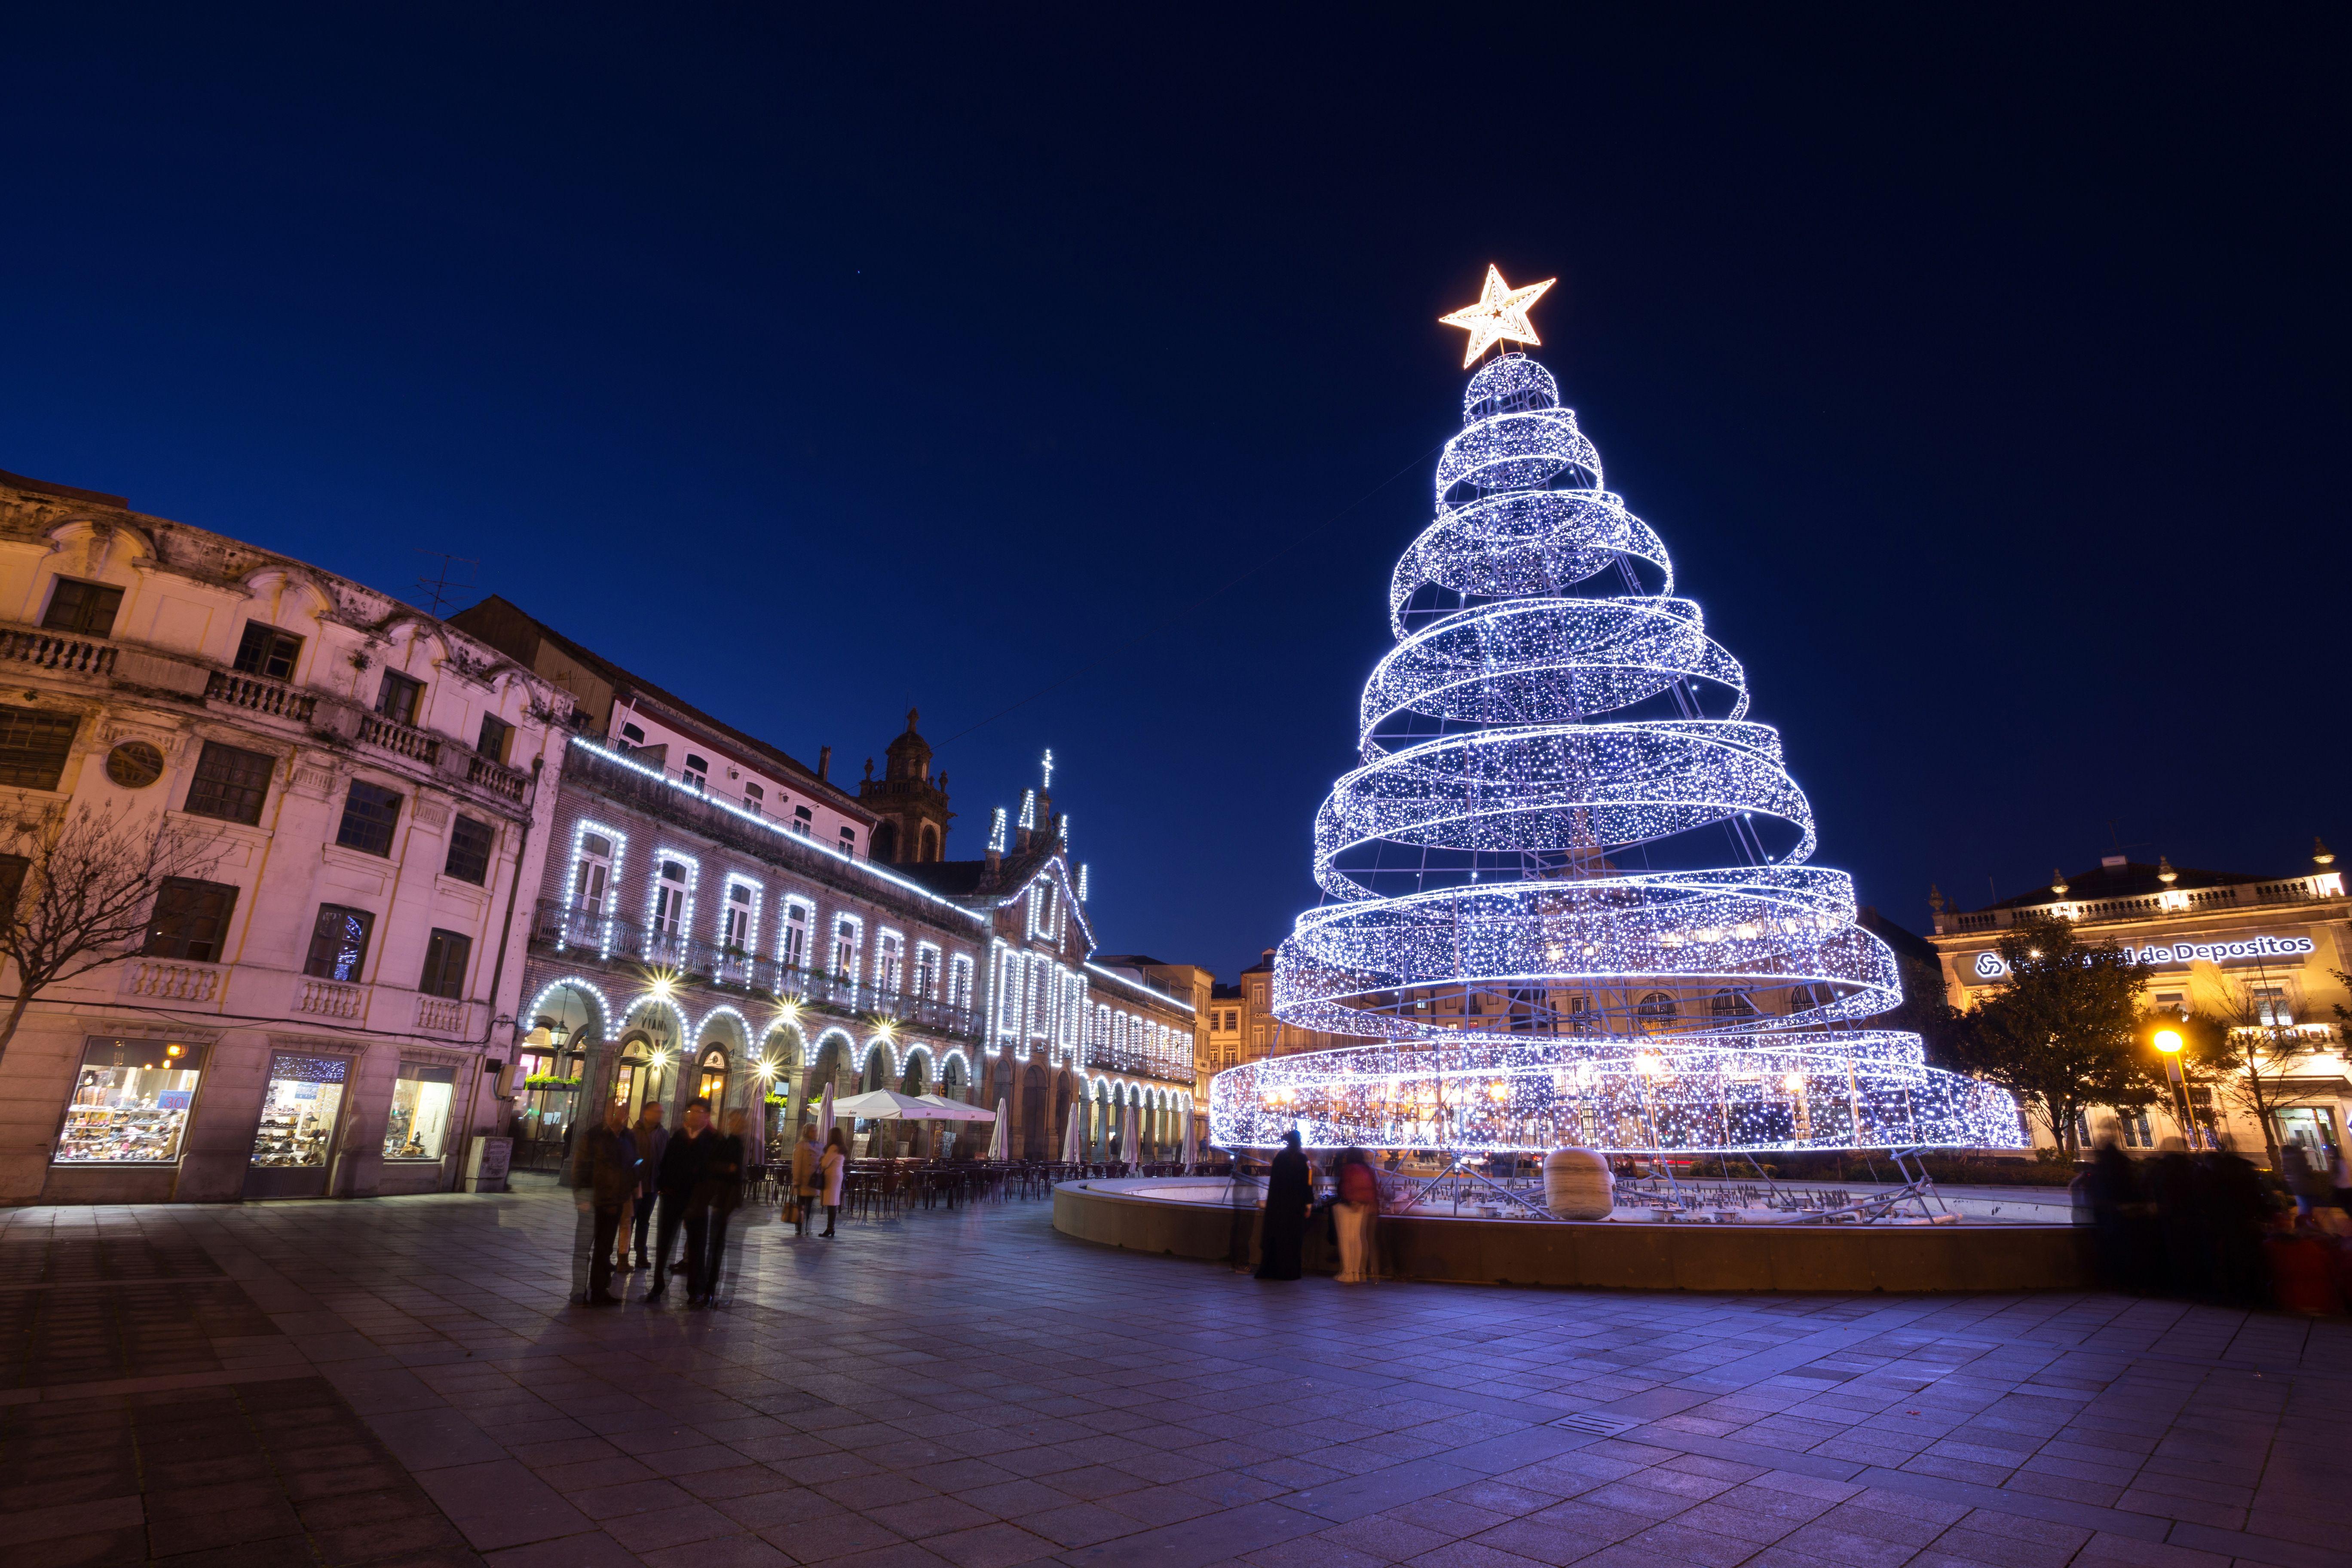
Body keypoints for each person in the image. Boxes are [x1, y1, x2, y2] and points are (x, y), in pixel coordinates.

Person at [646, 1098, 715, 1304]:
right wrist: (663, 1186)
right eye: (691, 1111)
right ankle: (658, 1286)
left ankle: (696, 1291)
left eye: (698, 1112)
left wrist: (702, 1198)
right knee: (664, 1243)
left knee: (696, 1245)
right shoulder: (679, 1135)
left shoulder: (712, 1139)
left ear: (707, 1116)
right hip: (672, 1197)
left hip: (697, 1201)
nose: (693, 1115)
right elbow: (666, 1163)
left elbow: (711, 1173)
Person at [574, 1100, 639, 1306]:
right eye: (615, 1109)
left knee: (605, 1248)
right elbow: (581, 1166)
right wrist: (582, 1197)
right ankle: (578, 1291)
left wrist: (630, 1185)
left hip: (616, 1200)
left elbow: (636, 1162)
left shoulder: (628, 1136)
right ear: (606, 1111)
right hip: (594, 1200)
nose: (619, 1113)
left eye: (623, 1110)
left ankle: (600, 1291)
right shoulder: (594, 1135)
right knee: (584, 1248)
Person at [691, 1108, 748, 1308]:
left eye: (738, 1122)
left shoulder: (735, 1143)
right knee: (714, 1245)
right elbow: (716, 1166)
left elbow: (732, 1172)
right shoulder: (728, 1142)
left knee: (715, 1246)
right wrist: (726, 1168)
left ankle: (709, 1290)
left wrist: (724, 1169)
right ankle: (707, 1289)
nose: (735, 1125)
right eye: (733, 1121)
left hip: (724, 1201)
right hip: (719, 1200)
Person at [1255, 1130, 1313, 1280]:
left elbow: (1275, 1183)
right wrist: (1308, 1204)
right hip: (1296, 1207)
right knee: (1292, 1239)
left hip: (1279, 1205)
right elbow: (1308, 1184)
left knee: (1278, 1237)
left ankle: (1273, 1269)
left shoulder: (1280, 1158)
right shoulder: (1303, 1160)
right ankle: (1290, 1271)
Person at [629, 1101, 669, 1270]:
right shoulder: (633, 1133)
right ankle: (622, 1254)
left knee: (644, 1222)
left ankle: (641, 1255)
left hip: (653, 1186)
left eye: (661, 1112)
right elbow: (629, 1158)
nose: (659, 1115)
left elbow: (666, 1159)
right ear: (646, 1113)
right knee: (629, 1221)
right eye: (656, 1111)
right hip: (635, 1185)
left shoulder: (664, 1134)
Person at [1332, 1145, 1380, 1283]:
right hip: (1363, 1205)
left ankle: (1347, 1273)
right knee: (1357, 1239)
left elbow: (1344, 1186)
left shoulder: (1348, 1168)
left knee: (1346, 1240)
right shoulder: (1366, 1168)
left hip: (1349, 1205)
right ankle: (1358, 1273)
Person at [789, 1122, 820, 1237]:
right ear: (807, 1132)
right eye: (813, 1131)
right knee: (800, 1206)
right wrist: (796, 1181)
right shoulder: (801, 1146)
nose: (815, 1133)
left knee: (810, 1207)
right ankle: (799, 1227)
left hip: (813, 1181)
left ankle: (808, 1226)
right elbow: (797, 1165)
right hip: (803, 1181)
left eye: (816, 1131)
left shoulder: (820, 1146)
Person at [818, 1125, 847, 1237]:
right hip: (838, 1175)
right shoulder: (840, 1148)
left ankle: (830, 1228)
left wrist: (822, 1160)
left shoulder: (833, 1148)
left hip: (831, 1177)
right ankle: (831, 1227)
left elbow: (825, 1164)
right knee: (833, 1202)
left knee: (831, 1202)